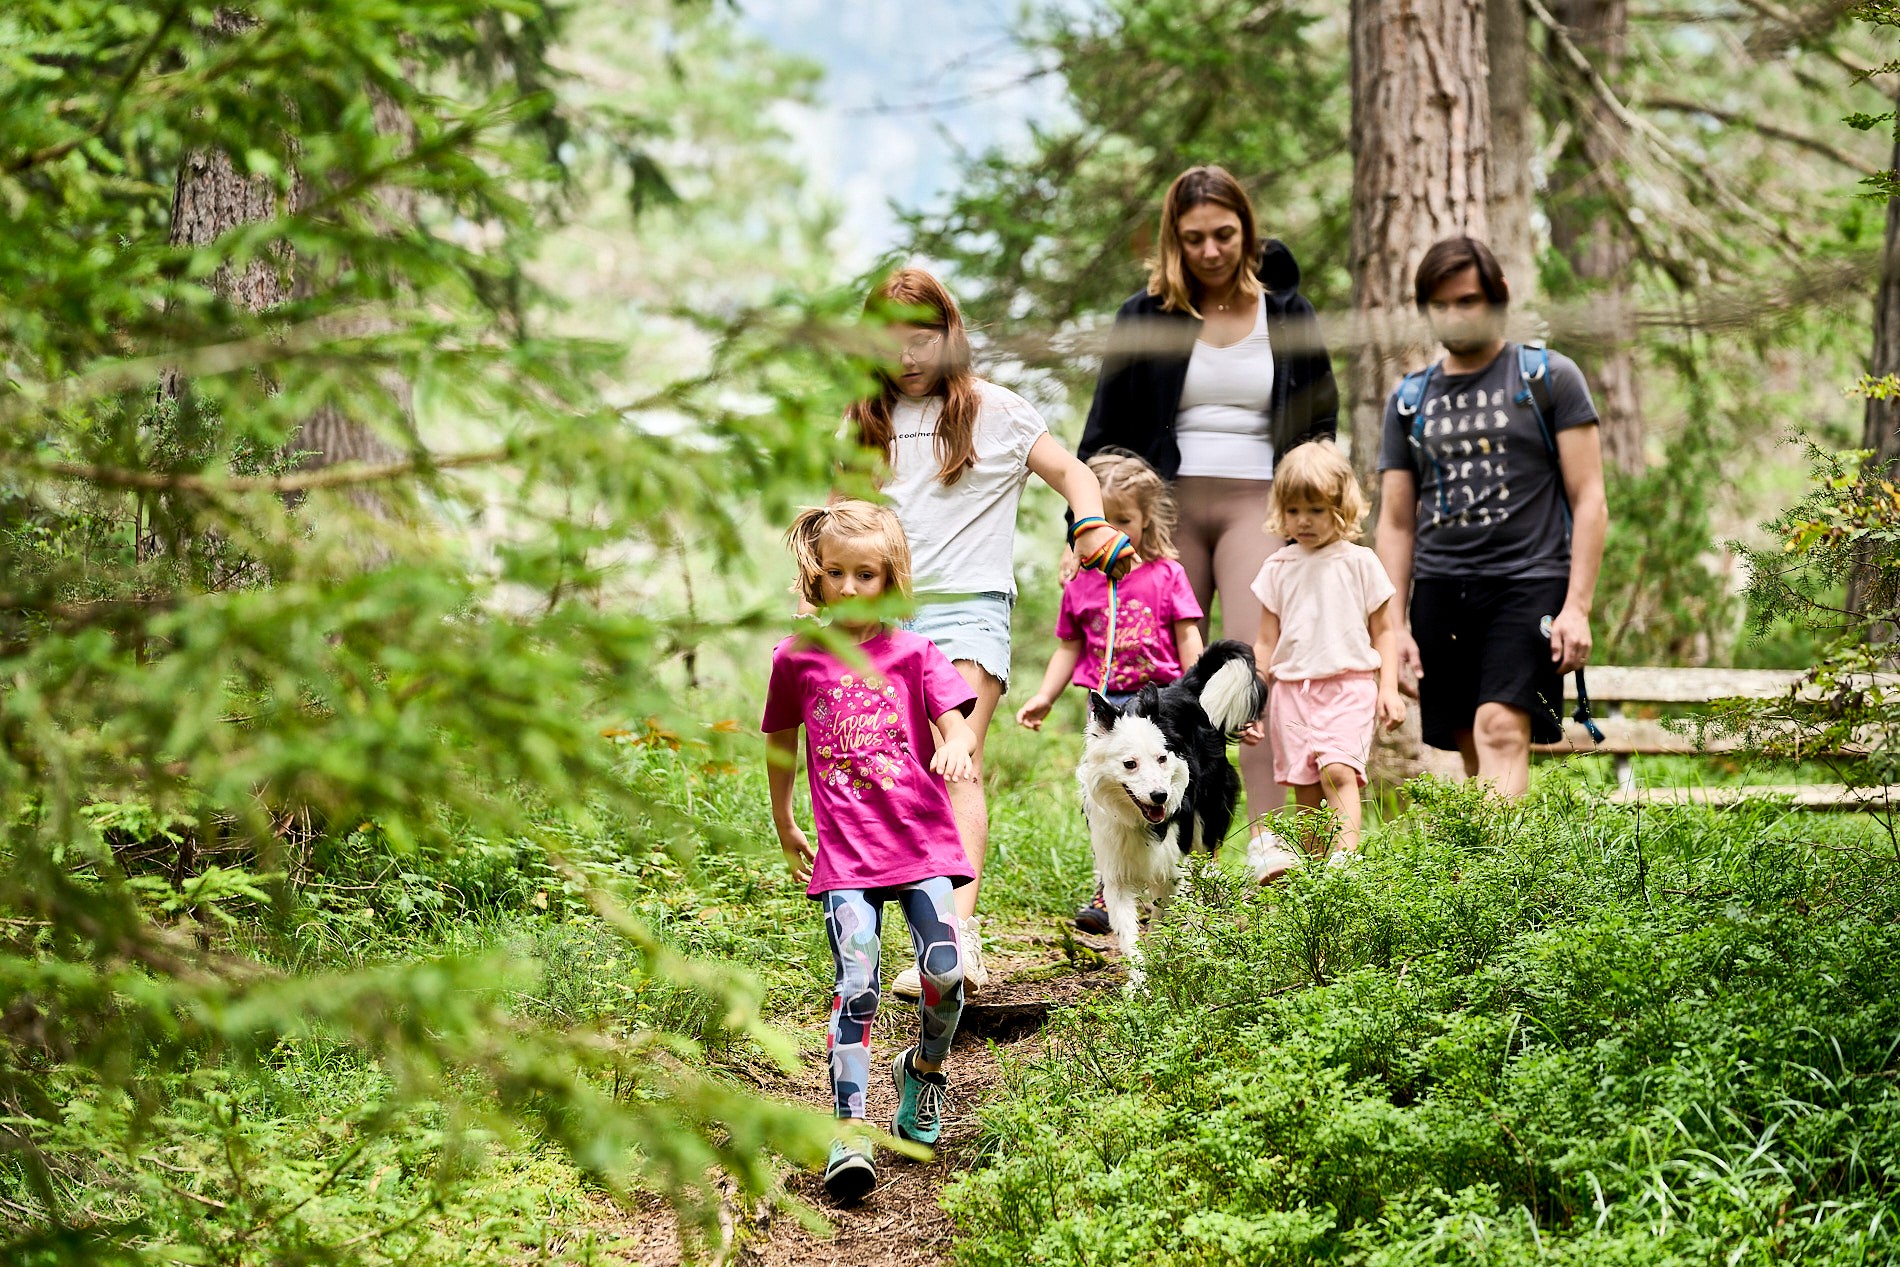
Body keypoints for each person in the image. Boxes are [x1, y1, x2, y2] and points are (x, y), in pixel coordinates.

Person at [848, 268, 1130, 1001]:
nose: (908, 356)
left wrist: (1088, 522)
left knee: (957, 758)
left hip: (969, 609)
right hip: (885, 616)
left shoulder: (995, 411)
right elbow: (842, 519)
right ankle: (897, 935)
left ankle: (956, 943)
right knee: (900, 775)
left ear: (950, 336)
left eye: (923, 338)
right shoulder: (863, 423)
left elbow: (1072, 471)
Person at [1075, 164, 1340, 838]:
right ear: (1174, 240)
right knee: (1147, 681)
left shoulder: (1287, 313)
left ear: (1248, 233)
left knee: (1251, 677)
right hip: (1165, 512)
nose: (1212, 251)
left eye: (1225, 235)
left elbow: (1318, 426)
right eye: (1194, 239)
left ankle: (1267, 845)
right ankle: (1133, 867)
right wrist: (1090, 529)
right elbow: (1102, 437)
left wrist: (1320, 517)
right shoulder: (1144, 316)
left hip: (1262, 503)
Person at [763, 501, 981, 1206]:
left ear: (891, 578)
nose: (851, 587)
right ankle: (849, 1128)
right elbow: (779, 745)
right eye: (837, 573)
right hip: (848, 857)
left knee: (946, 975)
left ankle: (923, 1070)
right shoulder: (796, 657)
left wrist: (950, 743)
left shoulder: (915, 653)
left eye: (868, 574)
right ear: (817, 578)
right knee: (855, 979)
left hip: (920, 844)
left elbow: (954, 722)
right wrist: (784, 819)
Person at [1373, 237, 1609, 798]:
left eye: (1468, 300)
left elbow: (1590, 498)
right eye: (1441, 305)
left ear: (1499, 296)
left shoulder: (1549, 378)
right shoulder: (1409, 400)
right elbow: (1396, 522)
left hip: (1528, 583)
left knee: (1500, 728)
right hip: (1440, 591)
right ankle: (1499, 877)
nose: (1454, 315)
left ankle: (1496, 883)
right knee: (1475, 749)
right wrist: (1394, 626)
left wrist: (1577, 608)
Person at [1014, 450, 1204, 932]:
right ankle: (1110, 882)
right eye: (1104, 518)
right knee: (1105, 800)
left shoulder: (1166, 575)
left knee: (1165, 796)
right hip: (1107, 707)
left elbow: (1187, 635)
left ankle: (1175, 880)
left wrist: (1198, 689)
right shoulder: (1080, 584)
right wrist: (1045, 695)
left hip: (1159, 704)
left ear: (1147, 520)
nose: (1115, 529)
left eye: (1127, 519)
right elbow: (1068, 647)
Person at [1246, 442, 1406, 879]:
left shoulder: (1360, 563)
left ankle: (1346, 860)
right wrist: (1251, 698)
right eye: (1294, 509)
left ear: (1340, 506)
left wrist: (1388, 688)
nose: (1304, 520)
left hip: (1349, 685)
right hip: (1292, 693)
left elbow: (1385, 632)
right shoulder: (1278, 567)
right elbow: (1265, 641)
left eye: (1316, 509)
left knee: (1338, 771)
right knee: (1306, 790)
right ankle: (1317, 882)